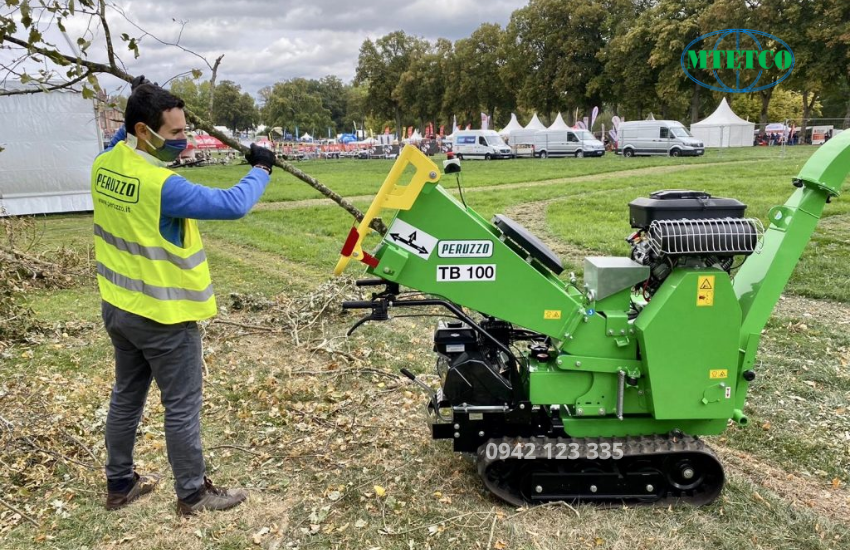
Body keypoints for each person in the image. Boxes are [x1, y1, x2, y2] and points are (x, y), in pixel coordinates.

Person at [92, 76, 277, 515]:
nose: (184, 139)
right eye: (175, 132)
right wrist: (262, 167)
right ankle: (193, 494)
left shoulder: (105, 164)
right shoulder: (162, 185)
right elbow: (232, 204)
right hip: (163, 315)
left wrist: (141, 97)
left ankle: (119, 484)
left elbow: (122, 135)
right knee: (181, 407)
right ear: (143, 131)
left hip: (119, 308)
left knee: (126, 396)